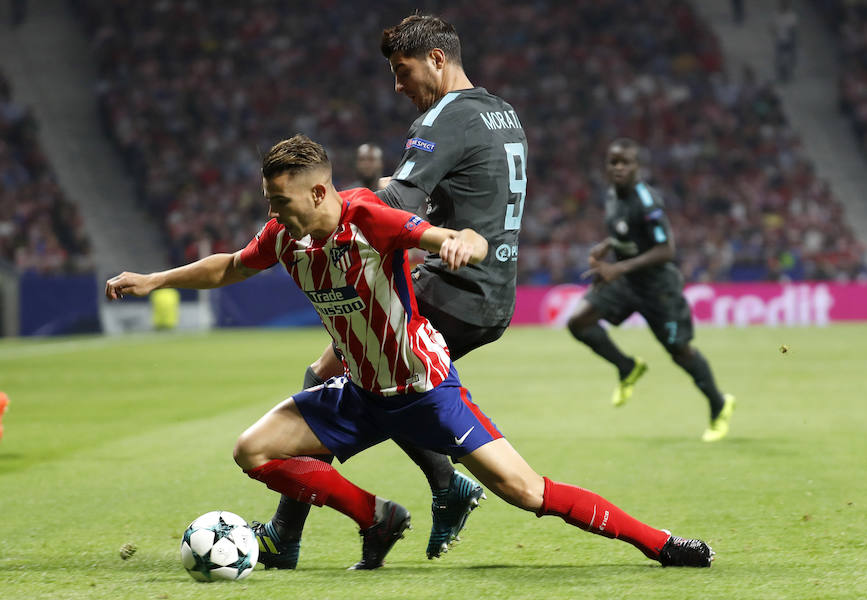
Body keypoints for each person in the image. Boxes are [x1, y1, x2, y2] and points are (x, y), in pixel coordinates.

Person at [106, 133, 715, 570]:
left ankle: (659, 544)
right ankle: (377, 517)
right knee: (252, 451)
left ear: (319, 192)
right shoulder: (283, 235)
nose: (273, 214)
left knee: (529, 493)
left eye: (281, 202)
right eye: (269, 202)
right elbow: (232, 266)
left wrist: (464, 244)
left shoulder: (369, 217)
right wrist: (155, 280)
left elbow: (457, 235)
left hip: (426, 393)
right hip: (360, 395)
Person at [255, 14, 530, 568]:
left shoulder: (444, 119)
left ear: (436, 59)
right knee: (376, 383)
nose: (399, 87)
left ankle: (288, 535)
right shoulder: (501, 111)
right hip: (492, 289)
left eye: (403, 72)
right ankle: (442, 486)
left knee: (344, 377)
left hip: (454, 287)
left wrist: (332, 199)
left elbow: (401, 204)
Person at [567, 138, 736, 442]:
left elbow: (666, 249)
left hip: (658, 290)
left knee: (680, 352)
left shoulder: (647, 203)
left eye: (625, 163)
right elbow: (624, 231)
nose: (618, 168)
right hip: (627, 282)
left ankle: (719, 403)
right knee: (578, 322)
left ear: (636, 167)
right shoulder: (613, 196)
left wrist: (618, 267)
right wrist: (607, 247)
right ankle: (627, 367)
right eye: (613, 162)